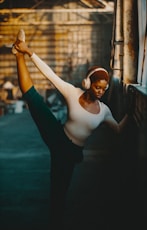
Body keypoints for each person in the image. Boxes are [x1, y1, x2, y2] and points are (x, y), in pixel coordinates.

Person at [12, 29, 129, 230]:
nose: (100, 92)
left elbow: (118, 129)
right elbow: (49, 73)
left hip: (69, 153)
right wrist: (28, 51)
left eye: (104, 88)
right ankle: (18, 54)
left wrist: (132, 112)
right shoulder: (73, 93)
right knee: (32, 98)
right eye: (97, 87)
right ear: (88, 83)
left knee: (59, 191)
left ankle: (54, 223)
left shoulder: (104, 111)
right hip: (57, 135)